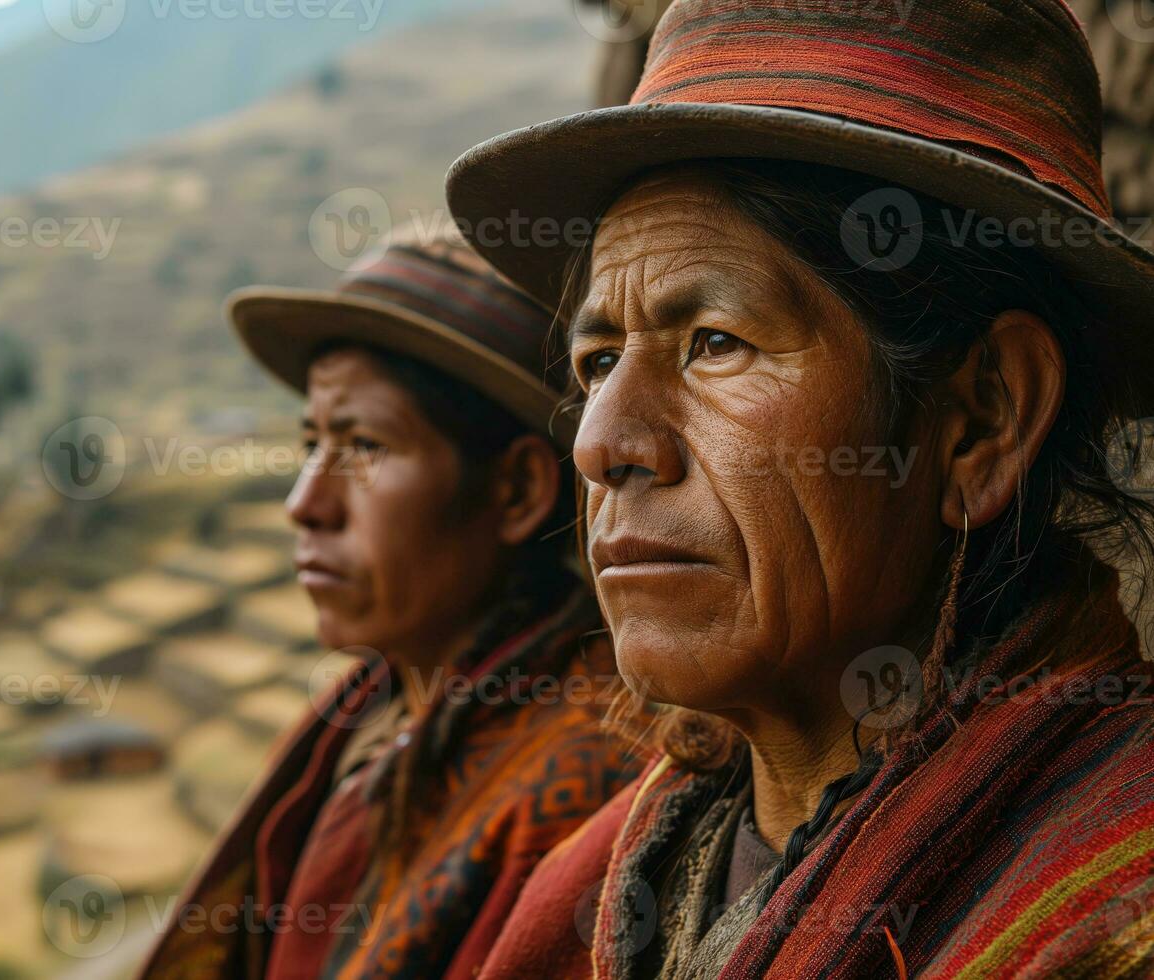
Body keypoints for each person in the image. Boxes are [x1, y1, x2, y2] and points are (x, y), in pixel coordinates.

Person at [444, 0, 1154, 975]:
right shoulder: (595, 885)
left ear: (983, 418)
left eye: (717, 343)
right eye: (599, 359)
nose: (604, 444)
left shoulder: (1118, 913)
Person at [139, 233, 644, 979]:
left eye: (366, 446)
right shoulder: (375, 712)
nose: (304, 504)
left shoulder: (588, 778)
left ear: (516, 492)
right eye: (313, 442)